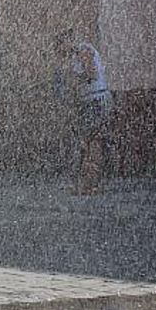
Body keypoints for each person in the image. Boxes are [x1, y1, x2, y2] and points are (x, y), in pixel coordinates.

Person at [55, 31, 112, 195]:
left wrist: (73, 78)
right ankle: (87, 183)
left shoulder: (84, 49)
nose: (61, 51)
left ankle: (91, 184)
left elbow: (92, 73)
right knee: (86, 143)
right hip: (87, 103)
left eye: (62, 46)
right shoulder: (72, 57)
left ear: (70, 40)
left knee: (92, 142)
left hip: (97, 100)